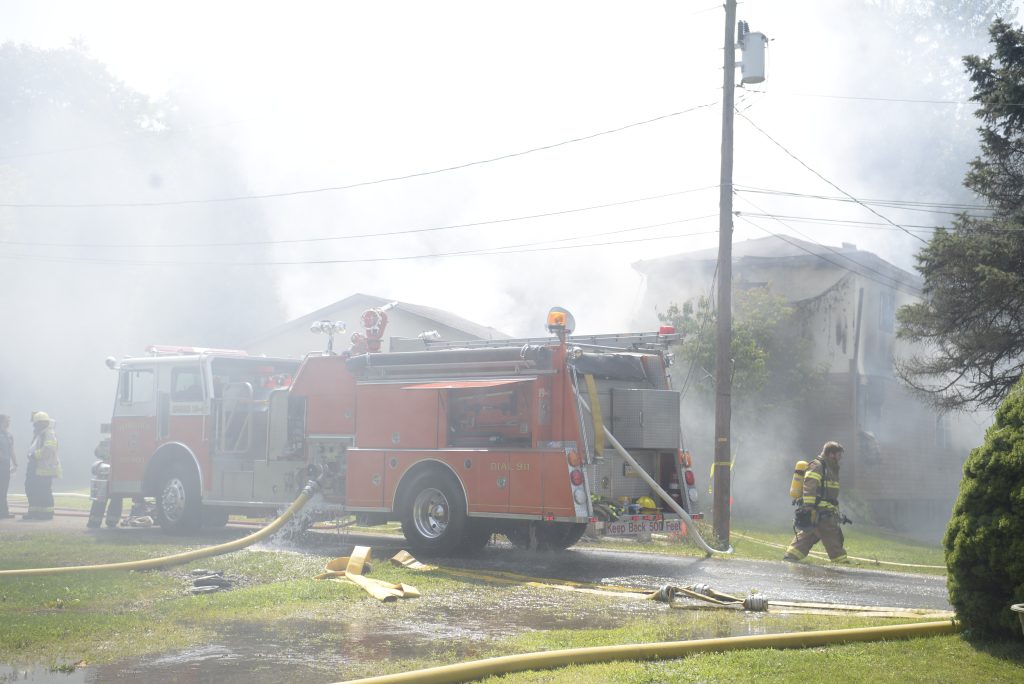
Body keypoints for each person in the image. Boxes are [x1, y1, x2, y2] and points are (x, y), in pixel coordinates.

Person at [784, 441, 850, 563]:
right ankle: (841, 561)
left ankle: (791, 556)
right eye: (839, 455)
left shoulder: (830, 468)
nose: (840, 458)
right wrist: (809, 508)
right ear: (831, 454)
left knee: (809, 534)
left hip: (825, 510)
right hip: (820, 511)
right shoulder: (817, 466)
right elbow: (809, 486)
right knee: (832, 537)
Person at [22, 411, 61, 521]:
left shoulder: (48, 433)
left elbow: (48, 449)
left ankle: (47, 513)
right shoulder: (40, 433)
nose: (35, 426)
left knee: (44, 491)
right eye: (35, 424)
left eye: (37, 423)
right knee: (31, 488)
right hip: (36, 466)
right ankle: (34, 512)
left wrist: (35, 455)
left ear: (44, 423)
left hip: (44, 468)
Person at [87, 435, 123, 529]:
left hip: (108, 474)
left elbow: (97, 452)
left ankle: (96, 522)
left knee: (105, 498)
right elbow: (97, 452)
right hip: (114, 474)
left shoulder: (107, 441)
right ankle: (110, 521)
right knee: (114, 498)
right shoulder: (120, 441)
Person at [0, 414, 16, 518]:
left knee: (4, 489)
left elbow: (11, 450)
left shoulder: (9, 435)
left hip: (5, 465)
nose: (8, 423)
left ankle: (3, 511)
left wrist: (15, 463)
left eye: (9, 421)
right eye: (7, 421)